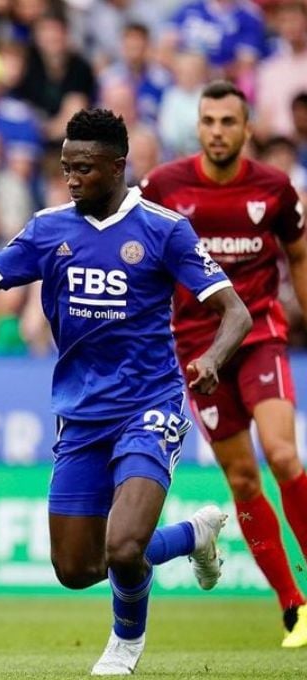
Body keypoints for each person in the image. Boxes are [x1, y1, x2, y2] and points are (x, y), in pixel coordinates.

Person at [0, 108, 251, 675]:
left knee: (125, 547)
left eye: (84, 168)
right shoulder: (48, 228)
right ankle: (193, 535)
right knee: (75, 569)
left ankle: (125, 645)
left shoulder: (164, 229)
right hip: (80, 414)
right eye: (65, 167)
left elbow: (236, 313)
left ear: (117, 167)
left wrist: (211, 358)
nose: (73, 178)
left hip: (148, 407)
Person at [141, 80, 307, 647]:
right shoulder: (163, 186)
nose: (217, 132)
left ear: (247, 128)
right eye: (208, 121)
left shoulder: (275, 189)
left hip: (259, 333)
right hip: (195, 350)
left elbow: (300, 255)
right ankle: (294, 605)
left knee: (283, 454)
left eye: (227, 122)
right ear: (198, 126)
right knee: (241, 477)